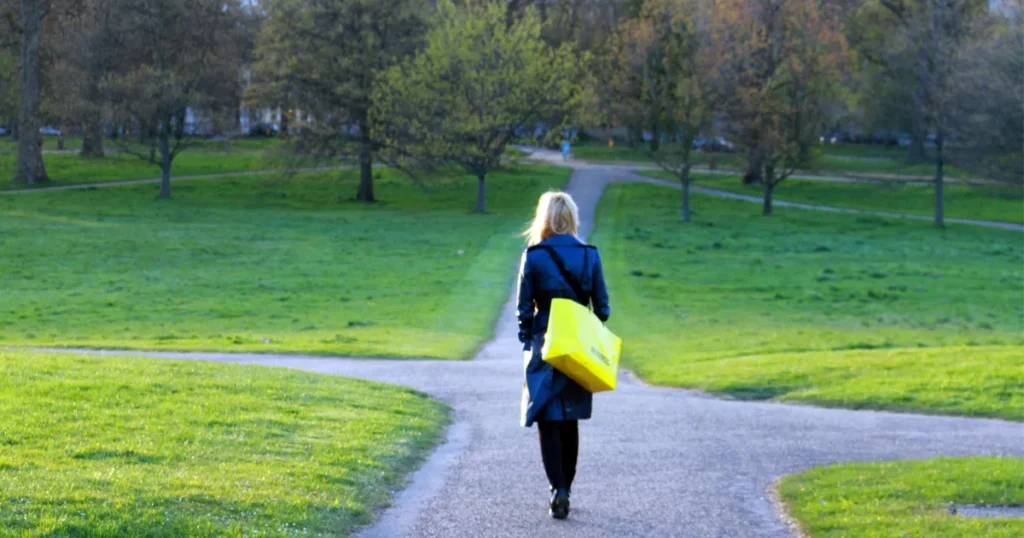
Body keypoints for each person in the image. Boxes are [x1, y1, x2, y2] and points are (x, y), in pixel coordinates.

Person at [516, 191, 611, 520]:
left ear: (543, 218)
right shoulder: (590, 255)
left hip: (545, 342)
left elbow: (523, 310)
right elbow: (603, 308)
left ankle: (557, 488)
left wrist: (528, 339)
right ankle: (566, 488)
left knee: (547, 417)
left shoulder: (534, 256)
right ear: (571, 218)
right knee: (570, 418)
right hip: (578, 343)